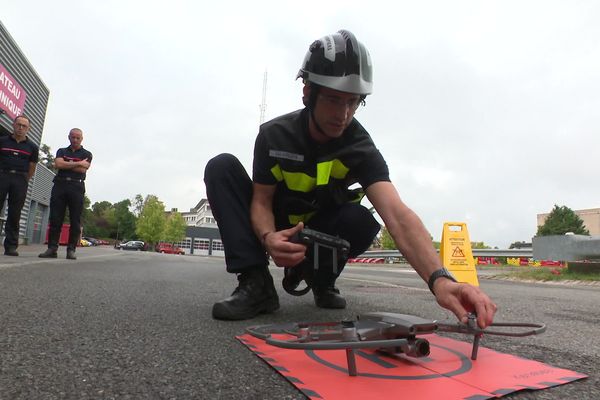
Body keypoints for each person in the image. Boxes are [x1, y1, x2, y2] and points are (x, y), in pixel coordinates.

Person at [204, 30, 497, 328]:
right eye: (333, 100)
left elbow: (397, 214)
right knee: (221, 167)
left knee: (360, 220)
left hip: (320, 229)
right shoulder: (273, 136)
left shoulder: (360, 147)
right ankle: (257, 284)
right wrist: (268, 238)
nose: (343, 114)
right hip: (278, 226)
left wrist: (441, 280)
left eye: (353, 102)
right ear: (308, 92)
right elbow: (262, 201)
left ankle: (320, 279)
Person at [39, 128, 92, 260]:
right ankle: (52, 248)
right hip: (60, 185)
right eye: (73, 137)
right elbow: (58, 164)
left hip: (76, 186)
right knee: (56, 217)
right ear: (69, 137)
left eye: (78, 138)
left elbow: (82, 170)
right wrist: (78, 162)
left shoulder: (87, 153)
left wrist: (67, 163)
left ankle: (71, 250)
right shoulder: (61, 151)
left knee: (75, 220)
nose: (75, 140)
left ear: (82, 139)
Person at [0, 115, 39, 256]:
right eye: (19, 124)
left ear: (28, 129)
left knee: (14, 214)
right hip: (2, 175)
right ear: (13, 124)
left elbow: (32, 166)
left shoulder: (32, 147)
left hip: (20, 179)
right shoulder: (2, 141)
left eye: (24, 126)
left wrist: (24, 179)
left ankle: (11, 247)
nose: (21, 128)